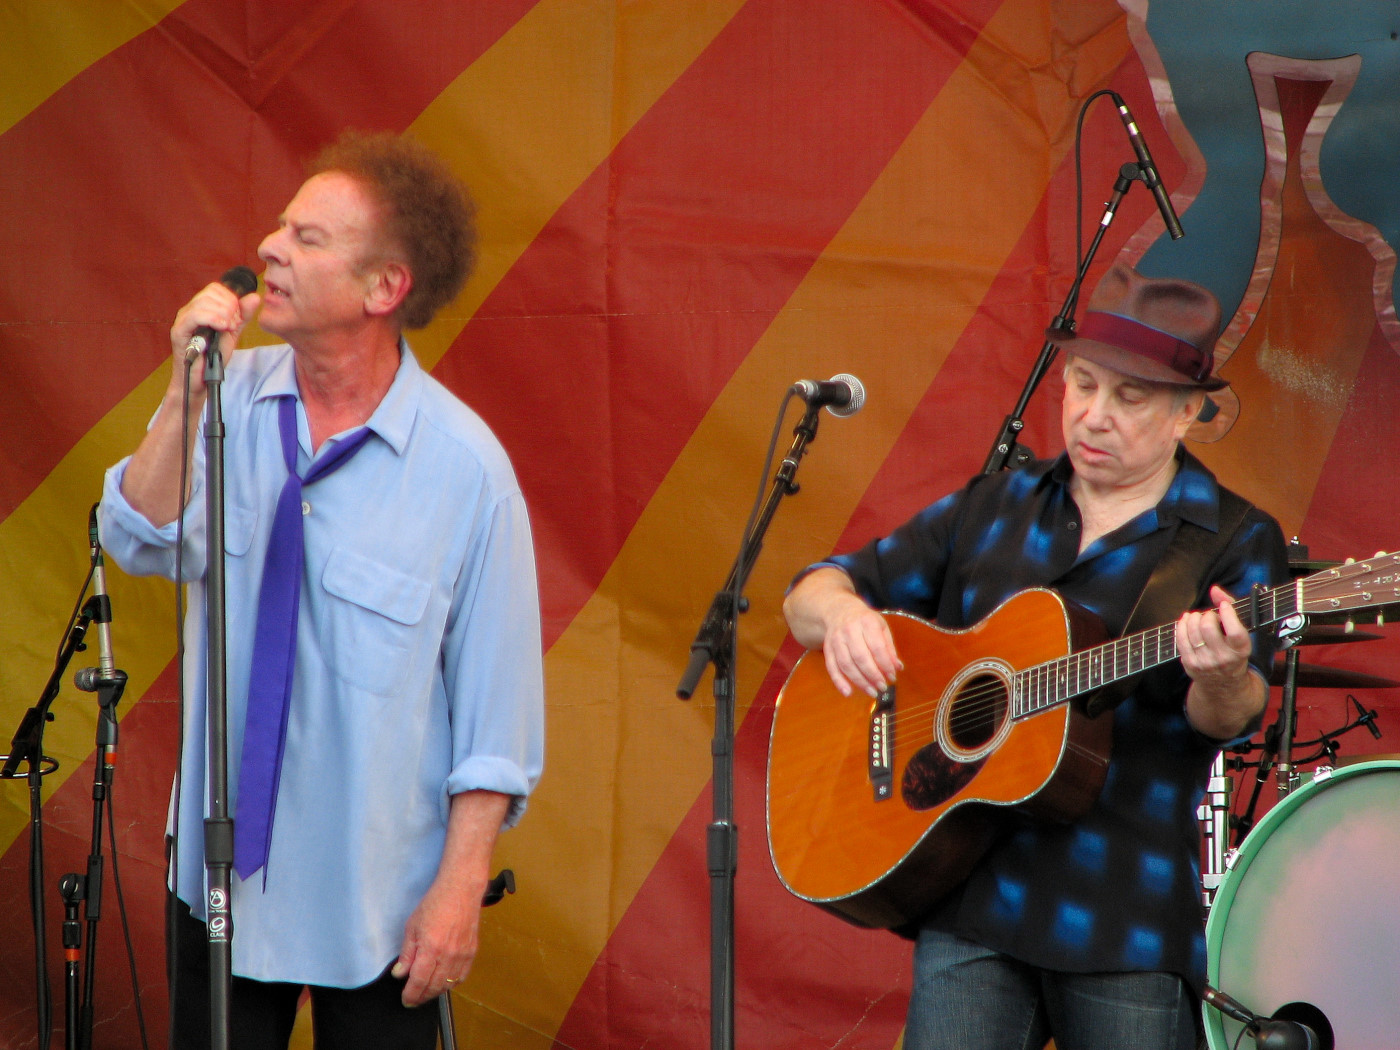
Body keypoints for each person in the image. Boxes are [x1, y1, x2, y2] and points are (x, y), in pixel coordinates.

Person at [99, 131, 545, 1049]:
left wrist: (461, 891)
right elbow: (134, 538)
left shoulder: (468, 472)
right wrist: (185, 388)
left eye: (307, 238)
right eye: (279, 227)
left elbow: (498, 727)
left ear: (385, 288)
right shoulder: (223, 398)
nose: (269, 248)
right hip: (222, 886)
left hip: (379, 906)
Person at [783, 264, 1287, 1050]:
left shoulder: (1233, 537)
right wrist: (843, 613)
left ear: (1188, 411)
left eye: (1130, 397)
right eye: (1083, 384)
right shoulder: (995, 505)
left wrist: (1220, 674)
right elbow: (813, 591)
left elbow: (1232, 717)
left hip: (1123, 909)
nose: (1094, 415)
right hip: (974, 896)